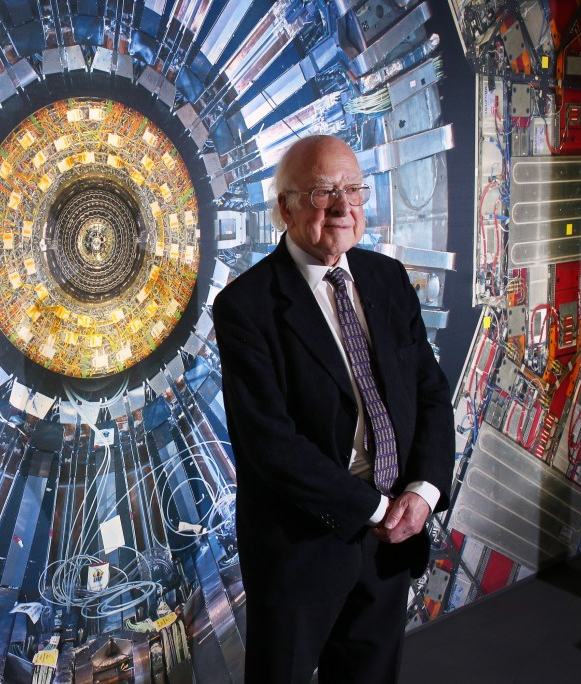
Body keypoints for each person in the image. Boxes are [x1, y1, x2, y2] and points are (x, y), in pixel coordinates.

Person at [212, 135, 454, 682]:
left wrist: (422, 493)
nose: (345, 207)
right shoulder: (245, 307)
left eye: (354, 190)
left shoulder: (387, 279)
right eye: (325, 193)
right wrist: (372, 510)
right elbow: (270, 445)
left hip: (394, 536)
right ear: (285, 208)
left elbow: (430, 393)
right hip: (302, 548)